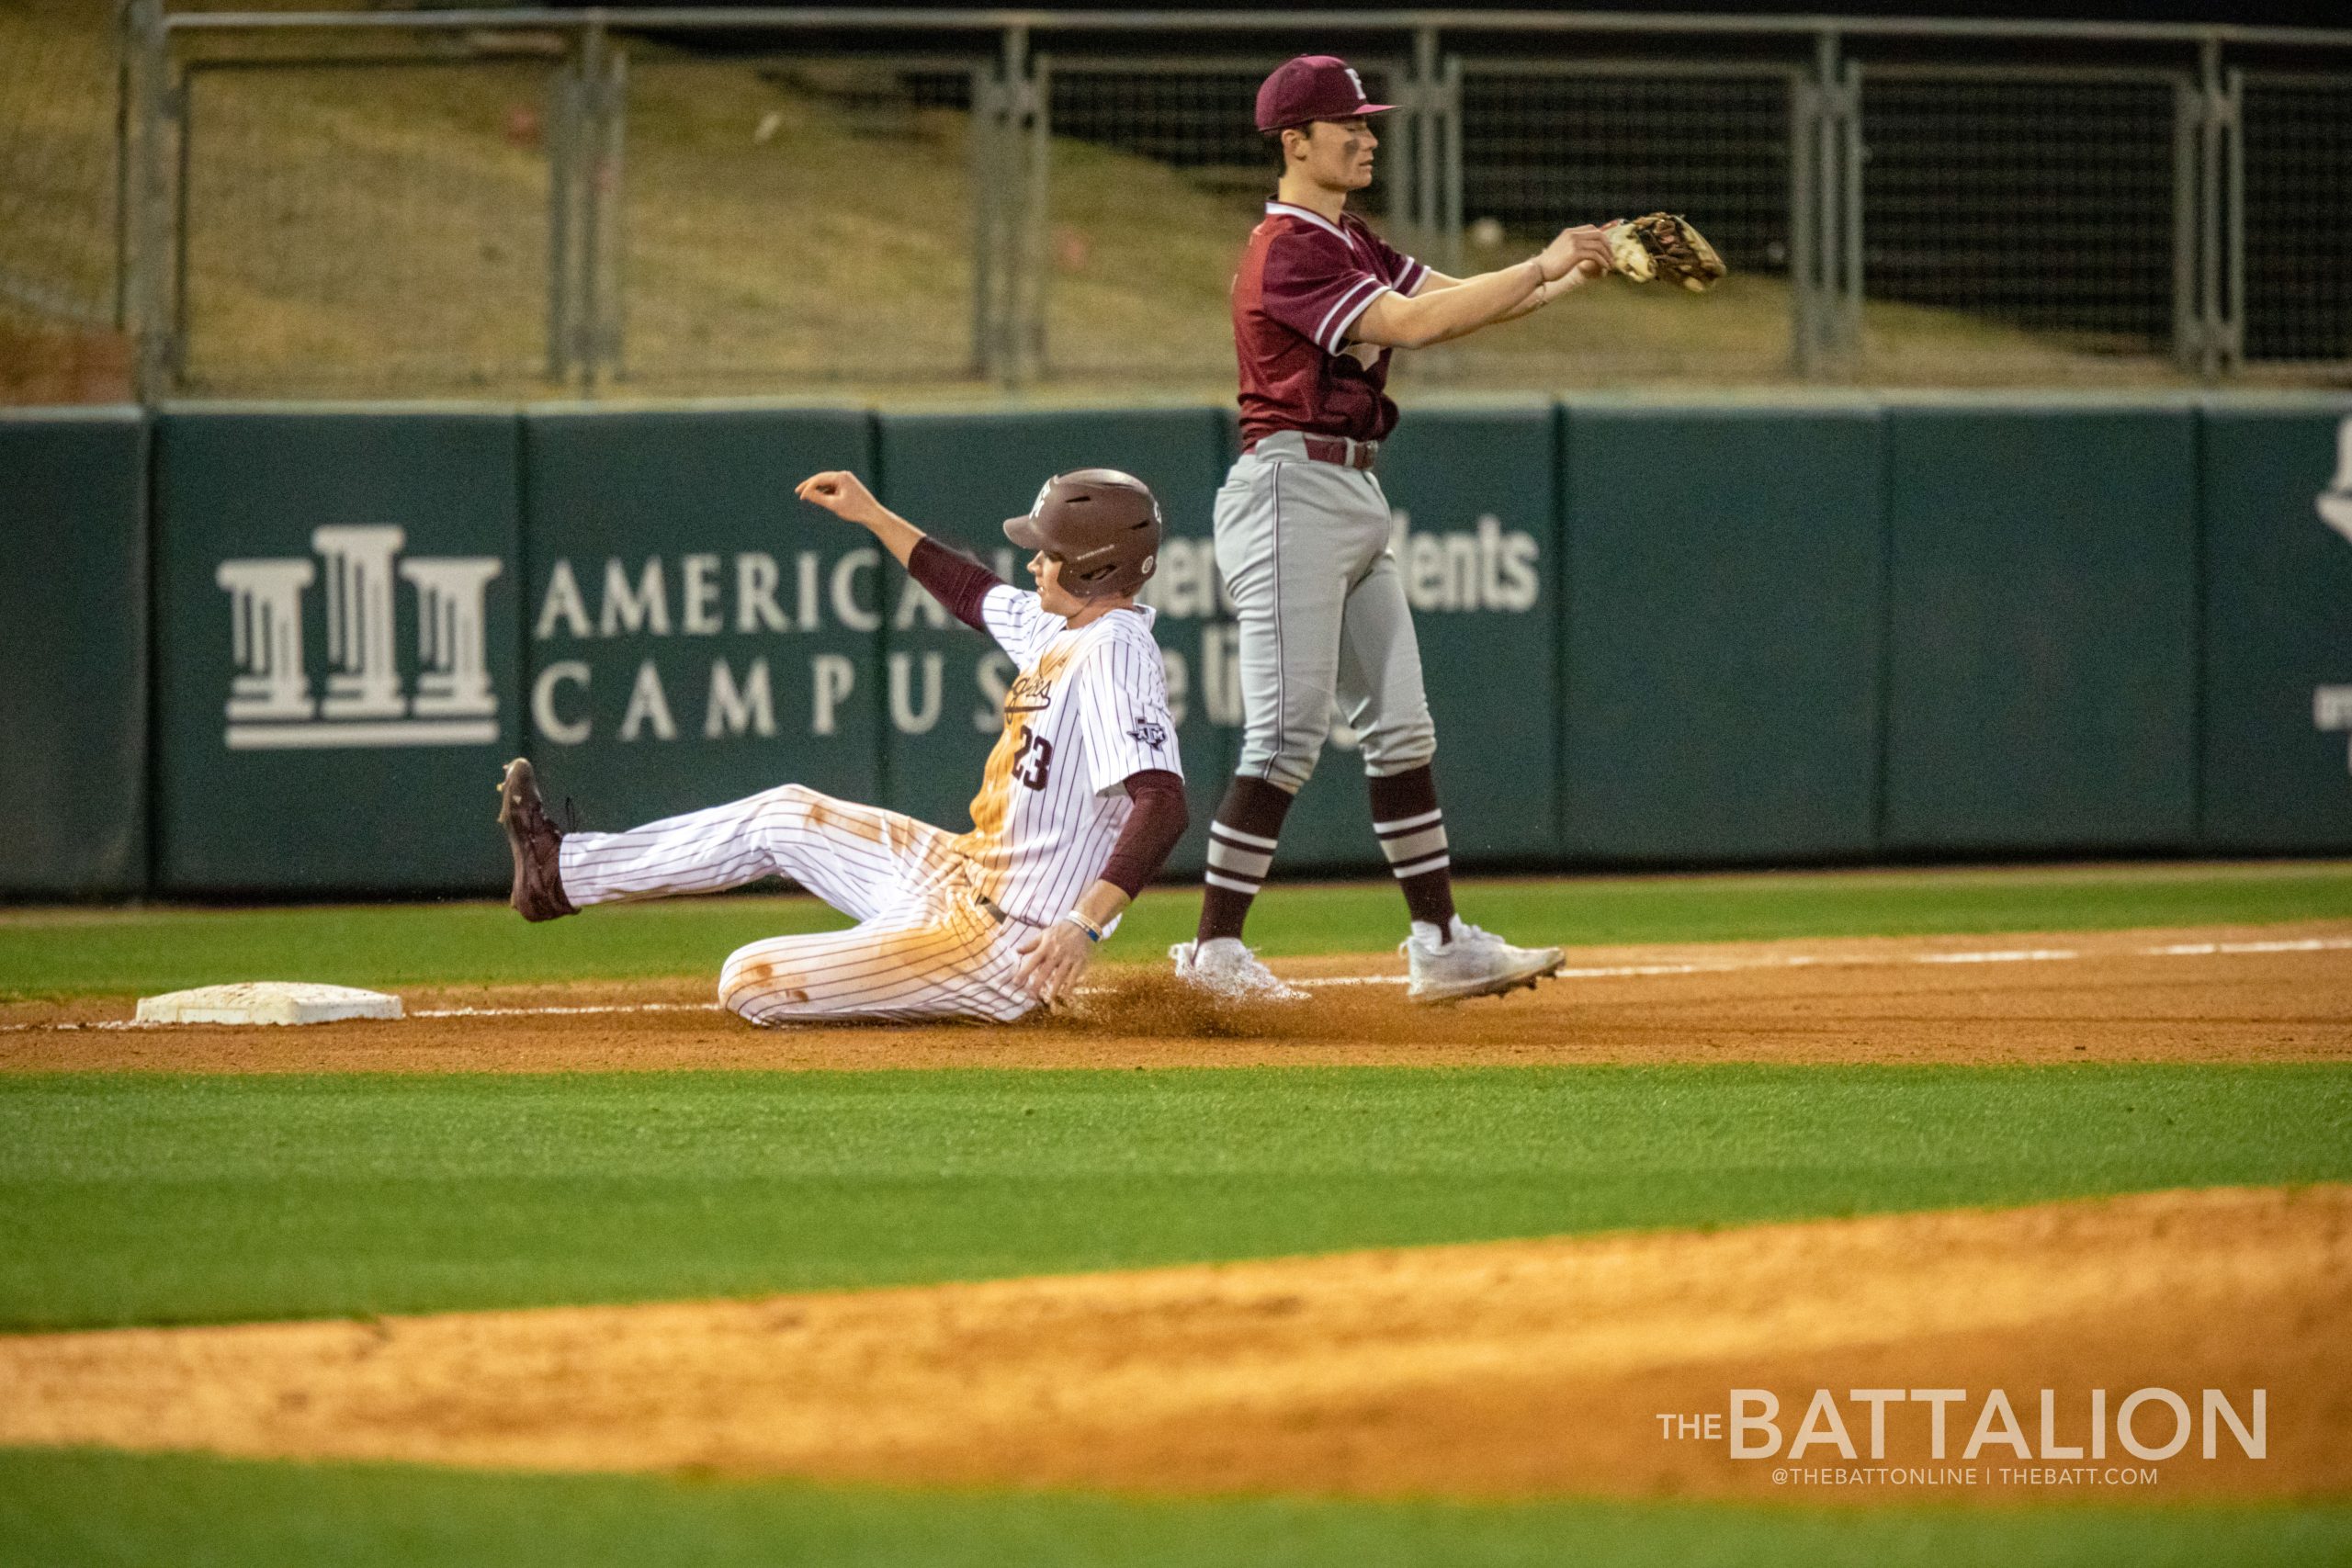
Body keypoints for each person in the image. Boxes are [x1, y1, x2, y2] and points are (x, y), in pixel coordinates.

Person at [1170, 54, 1618, 1005]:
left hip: (1350, 491)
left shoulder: (1348, 238)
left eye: (1368, 123)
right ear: (1296, 141)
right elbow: (1411, 327)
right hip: (1288, 488)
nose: (1368, 136)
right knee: (1286, 735)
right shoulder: (1287, 246)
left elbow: (1461, 304)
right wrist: (1541, 263)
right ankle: (1211, 954)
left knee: (1401, 727)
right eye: (1350, 125)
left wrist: (1575, 266)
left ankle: (1440, 939)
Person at [497, 468, 1189, 1024]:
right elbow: (970, 591)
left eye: (1050, 552)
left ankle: (935, 977)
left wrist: (1083, 926)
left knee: (749, 980)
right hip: (959, 871)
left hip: (1008, 940)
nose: (1034, 562)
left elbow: (1161, 804)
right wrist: (871, 514)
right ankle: (561, 873)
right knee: (781, 813)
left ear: (1094, 569)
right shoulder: (1061, 626)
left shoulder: (1114, 652)